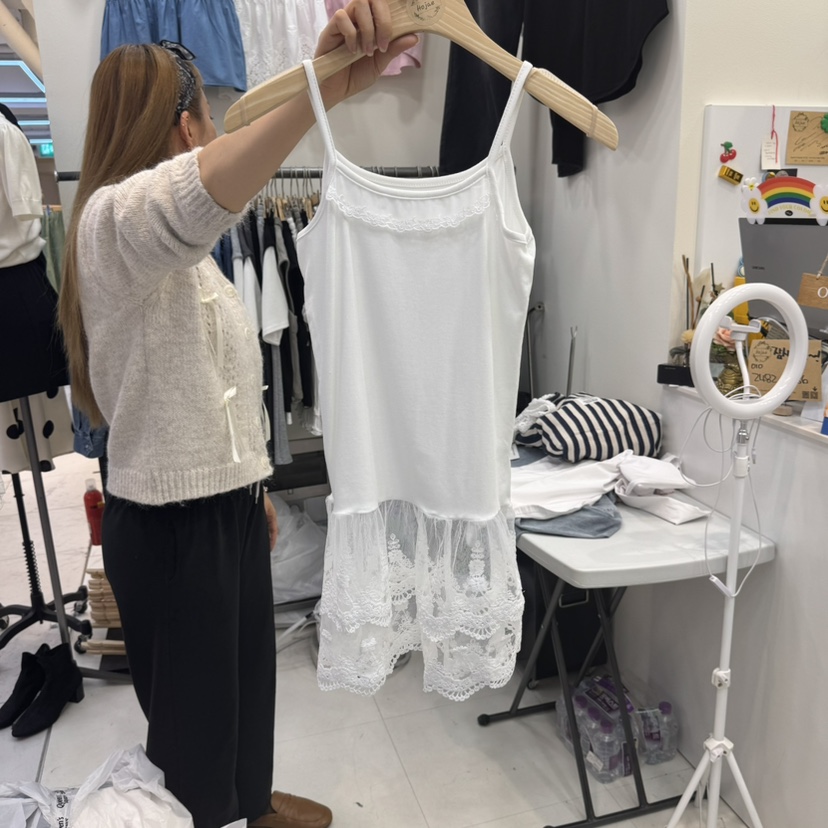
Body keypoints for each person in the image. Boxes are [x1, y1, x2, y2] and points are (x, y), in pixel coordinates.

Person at [56, 4, 417, 827]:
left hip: (221, 509)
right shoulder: (110, 224)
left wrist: (252, 485)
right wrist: (321, 85)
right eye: (207, 114)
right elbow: (197, 196)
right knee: (194, 742)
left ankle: (251, 806)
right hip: (169, 530)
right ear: (183, 125)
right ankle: (215, 811)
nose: (214, 128)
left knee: (250, 695)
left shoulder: (179, 257)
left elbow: (213, 378)